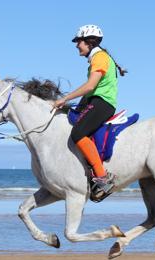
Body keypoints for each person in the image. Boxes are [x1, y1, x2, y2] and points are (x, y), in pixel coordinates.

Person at [53, 24, 126, 195]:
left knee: (77, 133)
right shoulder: (97, 58)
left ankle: (102, 177)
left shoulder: (99, 58)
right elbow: (91, 90)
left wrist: (64, 99)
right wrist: (74, 107)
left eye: (78, 41)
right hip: (96, 100)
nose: (76, 45)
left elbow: (90, 86)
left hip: (103, 103)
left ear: (89, 42)